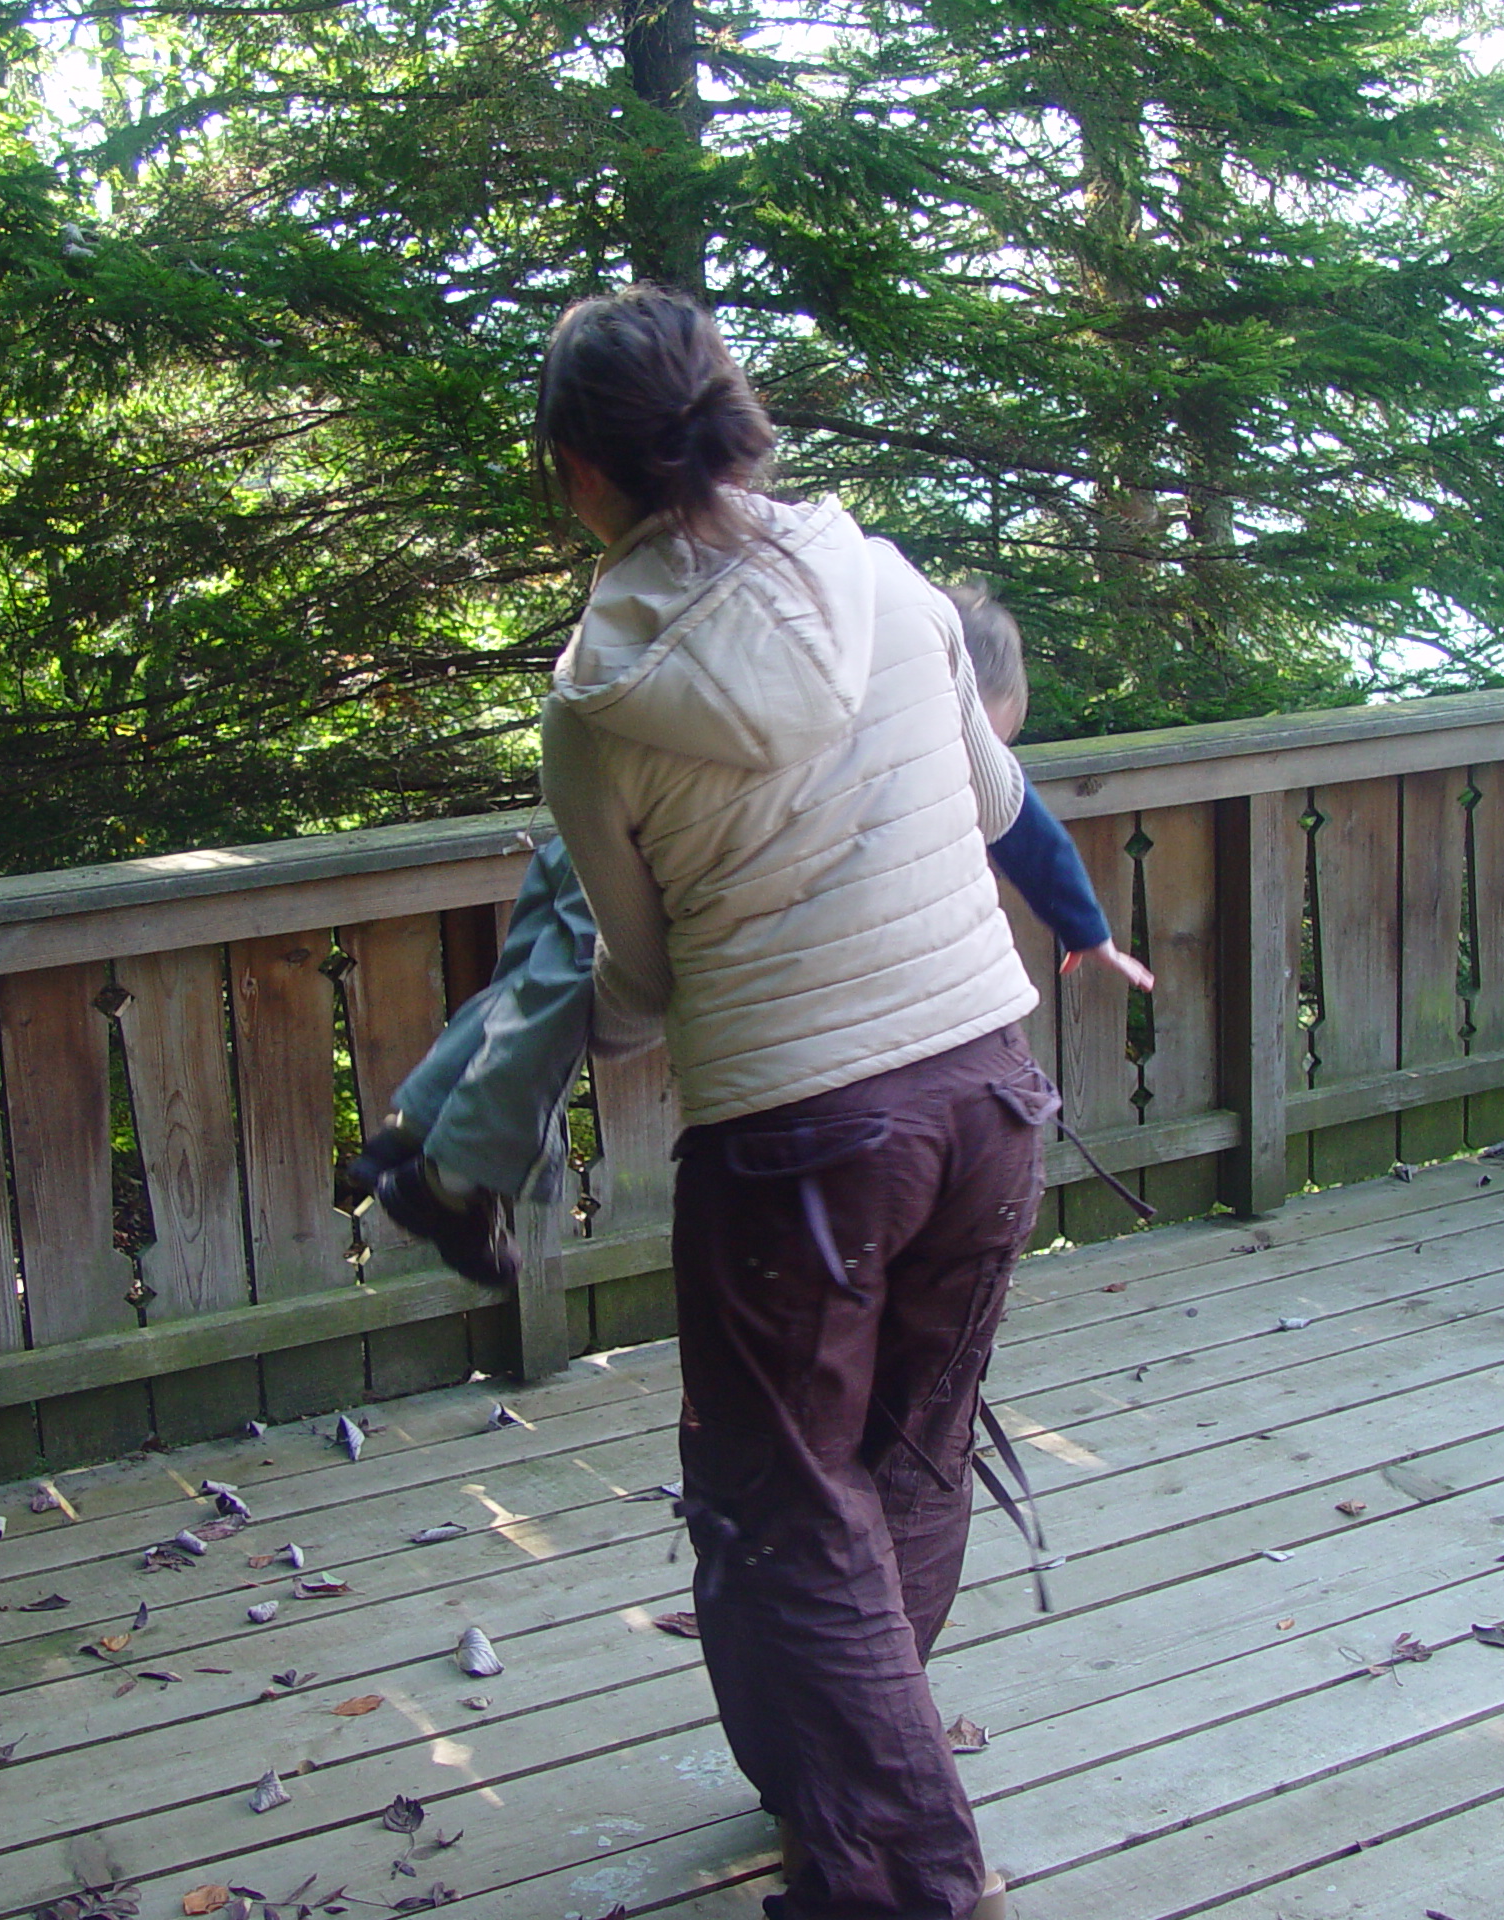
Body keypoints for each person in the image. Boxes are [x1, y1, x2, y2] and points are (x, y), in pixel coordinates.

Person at [527, 283, 1107, 1920]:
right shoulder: (889, 580)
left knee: (790, 1501)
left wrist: (566, 1025)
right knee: (905, 1462)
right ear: (738, 414)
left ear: (578, 470)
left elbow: (638, 995)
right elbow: (995, 799)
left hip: (800, 1136)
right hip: (990, 1093)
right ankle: (843, 1799)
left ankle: (912, 1880)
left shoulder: (599, 697)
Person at [352, 583, 1153, 1288]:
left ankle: (415, 1131)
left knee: (521, 993)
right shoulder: (908, 697)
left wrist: (1086, 927)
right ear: (957, 691)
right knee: (552, 1006)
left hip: (597, 821)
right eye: (992, 739)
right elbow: (1022, 822)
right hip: (635, 843)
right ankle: (451, 1182)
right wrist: (1086, 926)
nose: (982, 762)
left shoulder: (844, 651)